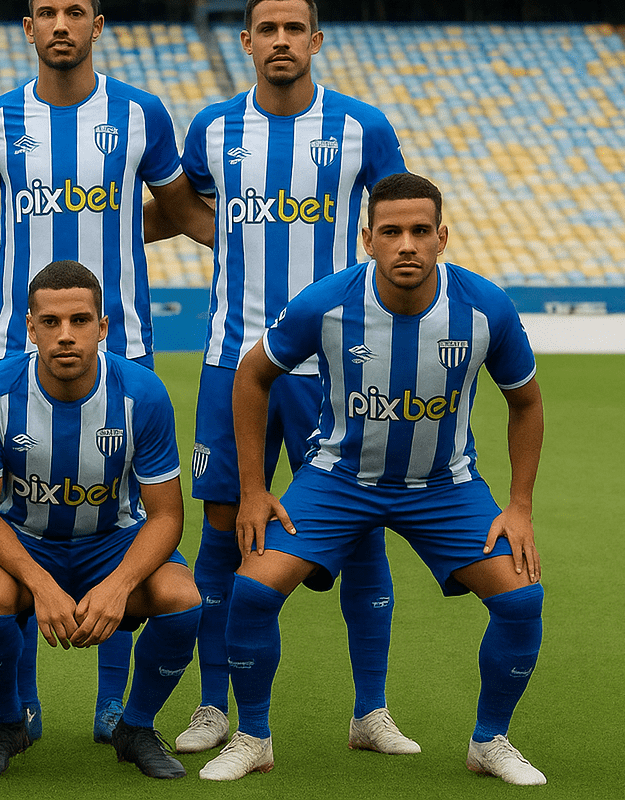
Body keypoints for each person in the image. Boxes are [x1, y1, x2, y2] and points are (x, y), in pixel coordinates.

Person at [0, 0, 214, 742]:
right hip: (11, 353)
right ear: (28, 28)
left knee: (121, 520)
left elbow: (180, 210)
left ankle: (115, 709)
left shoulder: (141, 113)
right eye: (46, 13)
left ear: (98, 24)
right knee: (11, 521)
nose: (60, 24)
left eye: (75, 13)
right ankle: (16, 710)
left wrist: (254, 247)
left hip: (123, 349)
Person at [200, 173, 546, 785]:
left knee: (521, 600)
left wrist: (518, 506)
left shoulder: (486, 307)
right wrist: (254, 489)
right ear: (367, 240)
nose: (406, 244)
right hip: (338, 480)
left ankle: (490, 740)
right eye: (391, 232)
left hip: (444, 486)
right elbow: (251, 376)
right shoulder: (325, 304)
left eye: (419, 231)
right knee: (254, 590)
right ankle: (253, 735)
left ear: (442, 237)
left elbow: (526, 402)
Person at [174, 0, 413, 757]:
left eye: (294, 27)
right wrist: (239, 247)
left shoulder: (362, 128)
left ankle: (370, 712)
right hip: (227, 360)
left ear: (316, 41)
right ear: (245, 42)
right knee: (221, 528)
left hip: (335, 368)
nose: (280, 39)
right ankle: (215, 707)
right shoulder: (211, 129)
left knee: (362, 529)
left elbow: (397, 222)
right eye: (266, 28)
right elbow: (187, 206)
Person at [0, 261, 201, 779]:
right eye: (50, 322)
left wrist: (118, 585)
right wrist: (40, 584)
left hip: (112, 541)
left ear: (103, 326)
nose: (65, 336)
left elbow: (165, 516)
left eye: (80, 321)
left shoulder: (143, 393)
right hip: (23, 539)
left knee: (182, 599)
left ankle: (135, 726)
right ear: (30, 327)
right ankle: (8, 722)